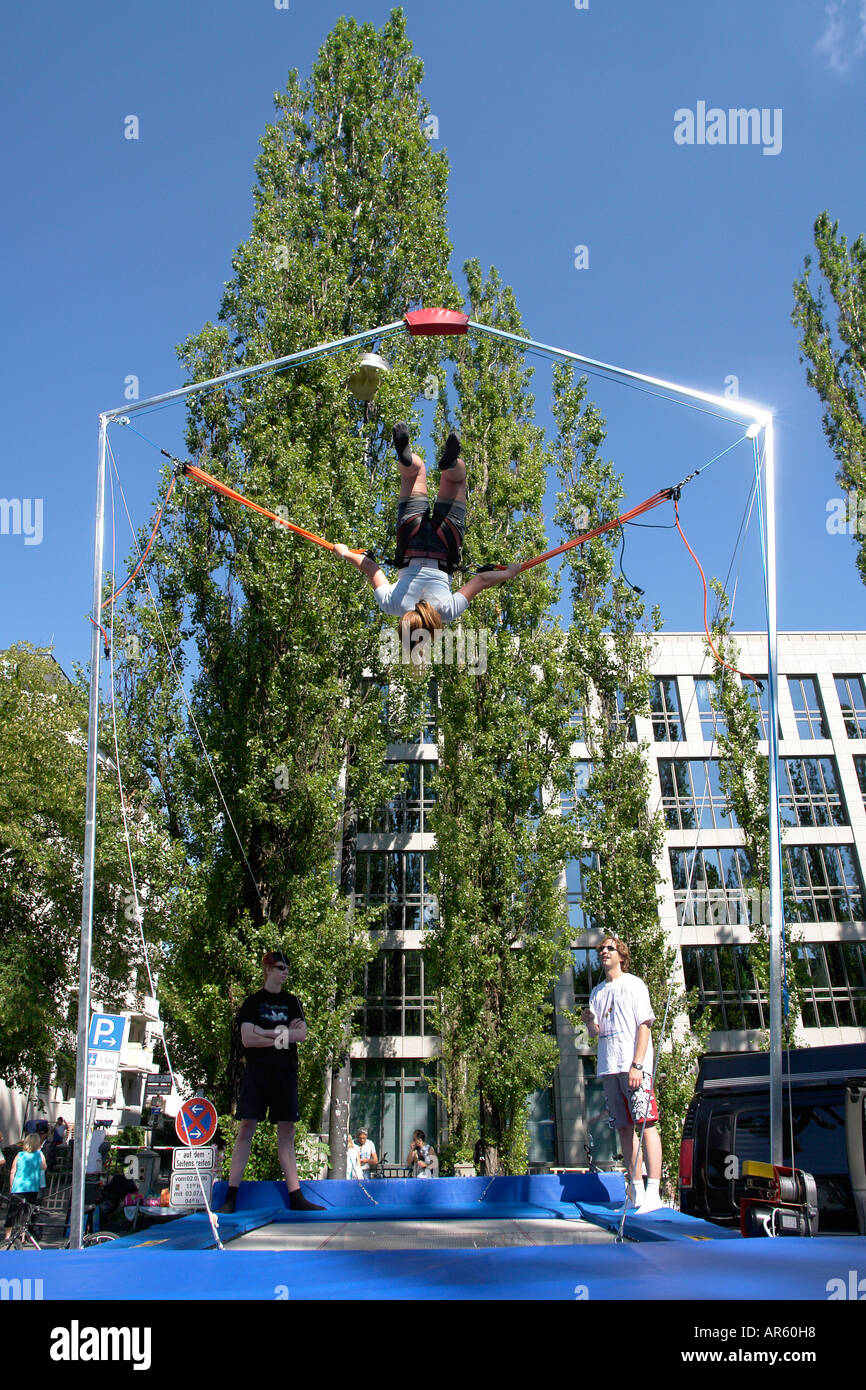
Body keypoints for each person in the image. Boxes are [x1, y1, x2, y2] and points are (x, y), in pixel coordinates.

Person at [335, 424, 521, 640]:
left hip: (445, 542)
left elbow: (481, 581)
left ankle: (451, 465)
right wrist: (344, 552)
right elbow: (369, 566)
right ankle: (407, 460)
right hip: (410, 539)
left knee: (456, 479)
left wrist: (510, 573)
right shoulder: (391, 606)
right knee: (413, 474)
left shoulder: (448, 612)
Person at [218, 950, 324, 1215]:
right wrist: (280, 1035)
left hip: (285, 1072)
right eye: (280, 967)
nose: (285, 971)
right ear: (267, 969)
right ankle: (231, 1195)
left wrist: (265, 1033)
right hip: (257, 1072)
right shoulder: (253, 1002)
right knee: (246, 1129)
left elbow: (302, 1034)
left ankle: (295, 1195)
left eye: (287, 967)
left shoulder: (292, 1002)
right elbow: (247, 1039)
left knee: (286, 1132)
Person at [582, 936, 664, 1214]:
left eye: (609, 948)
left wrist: (638, 1064)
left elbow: (644, 1024)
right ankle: (635, 1190)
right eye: (601, 949)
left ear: (621, 956)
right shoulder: (597, 991)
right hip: (609, 1066)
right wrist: (589, 1021)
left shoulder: (634, 984)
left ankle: (654, 1190)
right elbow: (597, 1033)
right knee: (624, 1129)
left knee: (646, 1124)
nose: (604, 952)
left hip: (634, 1067)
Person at [4, 1132, 46, 1235]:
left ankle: (7, 1235)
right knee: (27, 1211)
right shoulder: (39, 1154)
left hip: (18, 1187)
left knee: (12, 1211)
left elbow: (13, 1171)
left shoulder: (19, 1155)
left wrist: (11, 1186)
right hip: (32, 1187)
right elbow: (44, 1167)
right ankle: (23, 1234)